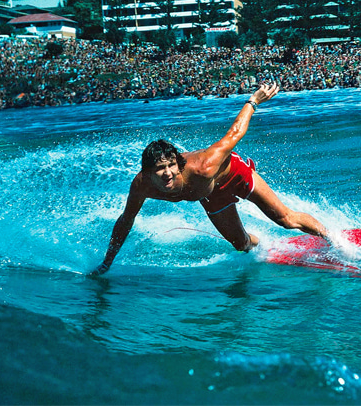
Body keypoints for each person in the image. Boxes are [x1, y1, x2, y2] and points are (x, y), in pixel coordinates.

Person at [90, 83, 329, 275]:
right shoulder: (142, 186)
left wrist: (253, 101)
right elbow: (125, 221)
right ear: (148, 172)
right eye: (160, 169)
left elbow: (234, 133)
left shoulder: (204, 165)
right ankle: (264, 245)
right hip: (210, 195)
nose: (168, 173)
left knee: (285, 219)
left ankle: (335, 241)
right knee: (241, 245)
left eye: (172, 165)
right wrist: (107, 262)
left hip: (234, 174)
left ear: (178, 163)